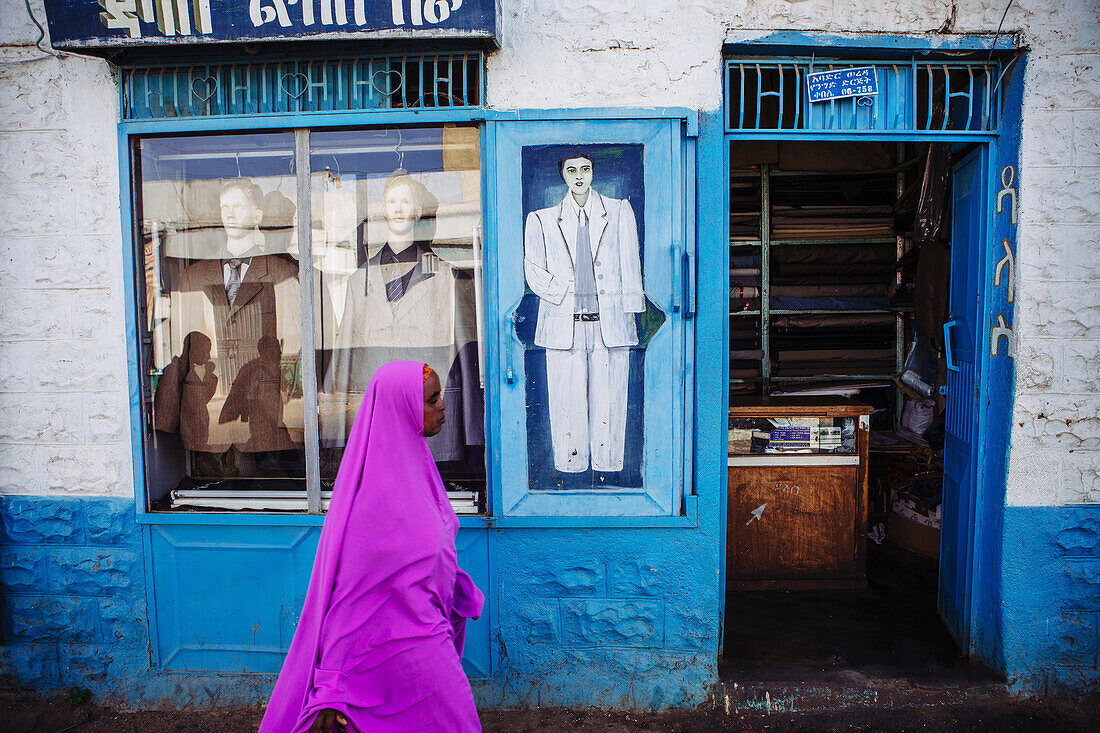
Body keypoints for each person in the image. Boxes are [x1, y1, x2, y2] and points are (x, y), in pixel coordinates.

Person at [260, 360, 484, 733]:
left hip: (426, 634)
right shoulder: (371, 500)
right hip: (388, 648)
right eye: (431, 400)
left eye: (440, 396)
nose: (443, 406)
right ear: (404, 408)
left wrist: (455, 586)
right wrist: (331, 680)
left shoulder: (419, 468)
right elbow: (348, 597)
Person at [322, 170, 482, 464]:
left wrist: (472, 433)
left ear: (417, 210)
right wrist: (333, 433)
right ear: (382, 209)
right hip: (378, 409)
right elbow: (344, 353)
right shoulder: (359, 280)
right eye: (391, 201)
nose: (397, 208)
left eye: (405, 201)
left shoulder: (446, 276)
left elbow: (464, 351)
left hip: (428, 409)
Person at [154, 177, 302, 455]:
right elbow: (180, 350)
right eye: (224, 207)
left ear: (257, 214)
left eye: (238, 206)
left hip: (263, 407)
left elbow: (294, 346)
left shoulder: (281, 274)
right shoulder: (195, 276)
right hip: (208, 408)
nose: (230, 214)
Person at [523, 152, 645, 473]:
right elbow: (533, 271)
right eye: (572, 170)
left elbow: (631, 265)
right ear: (562, 174)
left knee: (610, 400)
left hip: (611, 323)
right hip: (563, 323)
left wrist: (630, 309)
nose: (579, 176)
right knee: (567, 402)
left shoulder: (618, 212)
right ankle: (570, 464)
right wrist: (563, 292)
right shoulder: (541, 219)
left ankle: (607, 463)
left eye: (585, 169)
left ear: (593, 173)